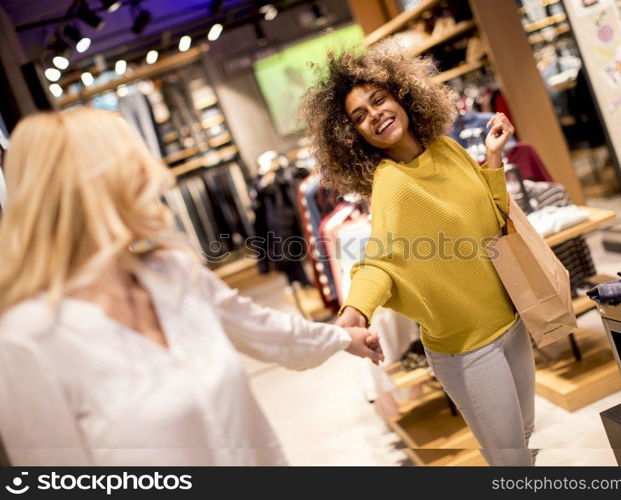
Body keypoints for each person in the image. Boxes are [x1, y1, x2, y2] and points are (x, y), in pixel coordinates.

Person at [0, 109, 384, 466]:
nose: (149, 176)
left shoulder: (171, 273)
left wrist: (340, 338)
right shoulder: (29, 340)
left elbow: (262, 329)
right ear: (91, 189)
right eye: (130, 165)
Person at [300, 44, 536, 466]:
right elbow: (382, 261)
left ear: (402, 97)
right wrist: (354, 312)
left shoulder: (447, 150)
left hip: (512, 322)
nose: (374, 114)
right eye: (359, 116)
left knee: (525, 438)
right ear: (352, 135)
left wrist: (494, 159)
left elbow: (493, 215)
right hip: (467, 350)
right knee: (511, 460)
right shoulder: (392, 184)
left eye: (379, 100)